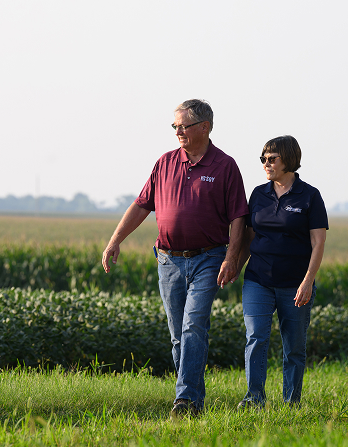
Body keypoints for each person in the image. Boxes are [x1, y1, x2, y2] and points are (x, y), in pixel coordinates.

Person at [102, 99, 248, 417]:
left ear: (205, 127)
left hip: (209, 258)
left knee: (194, 325)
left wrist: (232, 258)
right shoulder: (165, 162)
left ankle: (183, 400)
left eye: (184, 125)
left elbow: (239, 217)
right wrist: (115, 240)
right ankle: (194, 401)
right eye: (175, 126)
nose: (178, 131)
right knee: (177, 334)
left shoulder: (225, 166)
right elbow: (142, 204)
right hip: (168, 260)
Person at [234, 135, 328, 409]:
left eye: (271, 158)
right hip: (257, 280)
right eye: (263, 158)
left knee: (294, 347)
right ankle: (254, 398)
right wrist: (234, 269)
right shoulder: (258, 194)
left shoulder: (310, 195)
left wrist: (308, 281)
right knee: (255, 338)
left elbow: (318, 242)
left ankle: (291, 403)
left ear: (288, 159)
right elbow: (248, 239)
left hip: (296, 284)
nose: (266, 163)